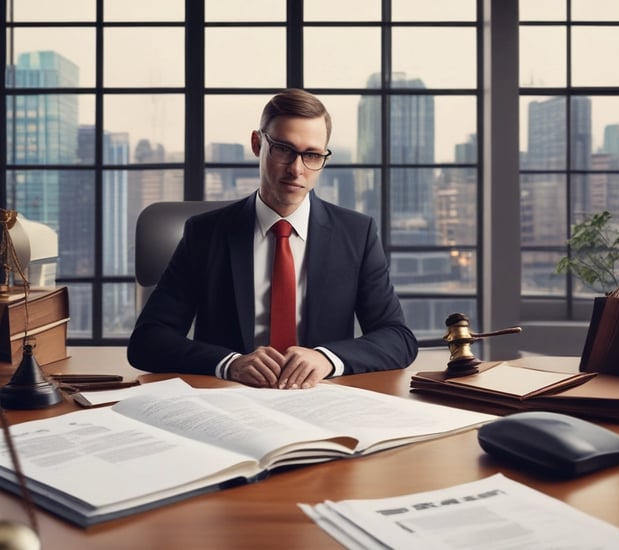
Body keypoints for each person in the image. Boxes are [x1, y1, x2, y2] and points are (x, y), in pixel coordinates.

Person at [128, 89, 417, 389]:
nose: (296, 169)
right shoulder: (205, 234)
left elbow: (398, 338)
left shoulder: (357, 234)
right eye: (283, 149)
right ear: (257, 144)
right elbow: (147, 340)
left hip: (323, 402)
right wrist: (229, 364)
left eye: (312, 155)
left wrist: (327, 358)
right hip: (230, 401)